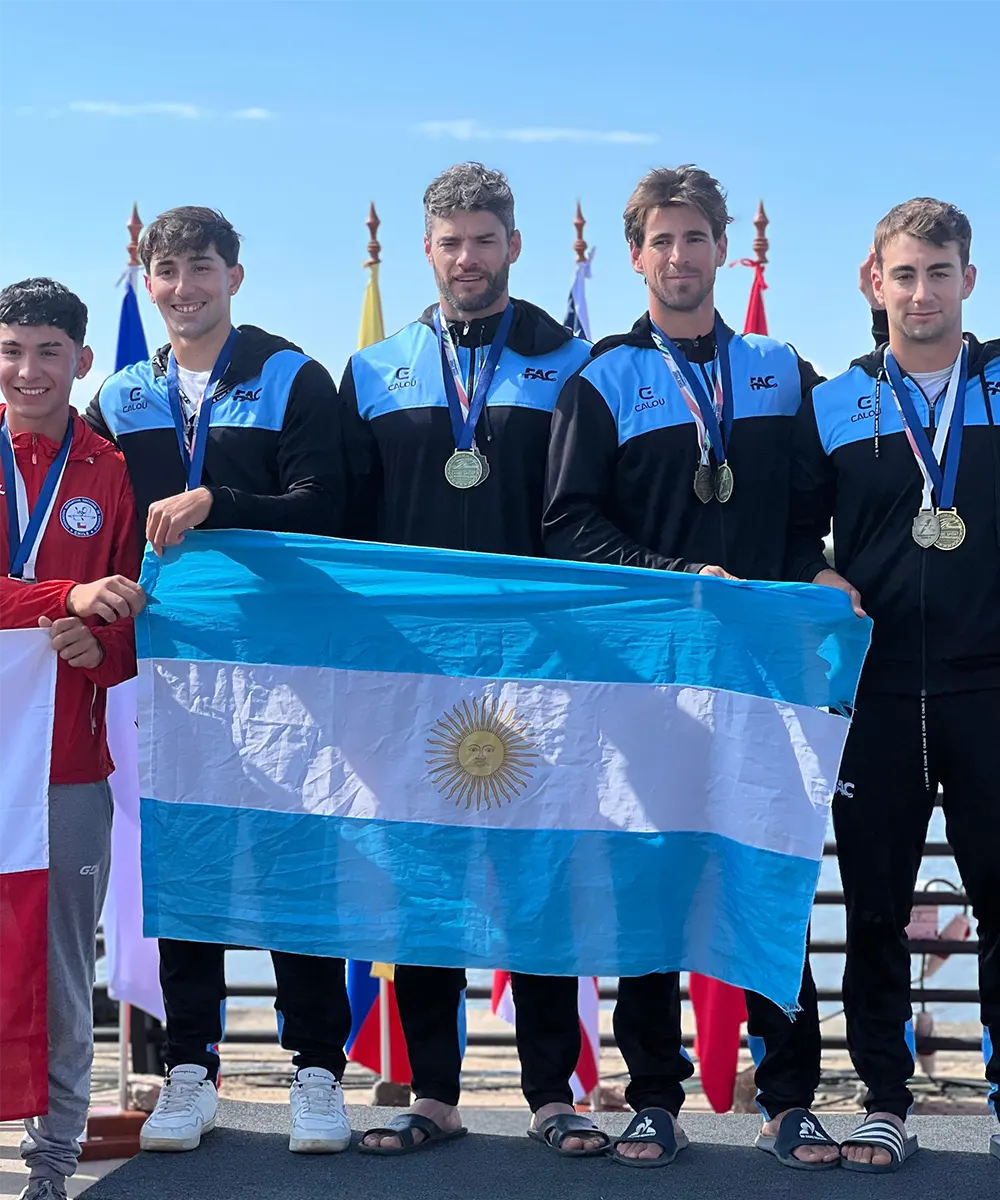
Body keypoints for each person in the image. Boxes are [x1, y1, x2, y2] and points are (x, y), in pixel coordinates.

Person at [543, 166, 839, 1170]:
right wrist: (680, 576)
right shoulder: (602, 378)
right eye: (660, 242)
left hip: (764, 672)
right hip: (647, 675)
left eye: (694, 238)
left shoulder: (777, 368)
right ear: (636, 257)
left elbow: (806, 517)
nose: (678, 257)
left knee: (771, 875)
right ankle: (655, 1097)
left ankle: (790, 1093)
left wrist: (818, 571)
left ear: (724, 250)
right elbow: (569, 525)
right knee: (649, 884)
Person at [340, 162, 602, 1157]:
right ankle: (433, 1094)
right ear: (427, 252)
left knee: (537, 879)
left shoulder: (571, 363)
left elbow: (585, 516)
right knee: (424, 884)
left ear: (513, 247)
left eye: (484, 241)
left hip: (541, 668)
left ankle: (550, 1092)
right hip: (414, 672)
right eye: (450, 243)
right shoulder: (373, 370)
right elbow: (343, 528)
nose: (467, 259)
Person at [85, 206, 353, 1156]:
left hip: (286, 669)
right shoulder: (118, 396)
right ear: (147, 281)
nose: (184, 286)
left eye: (202, 267)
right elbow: (86, 518)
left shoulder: (291, 376)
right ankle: (189, 1066)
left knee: (296, 861)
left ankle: (317, 1070)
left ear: (236, 275)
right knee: (188, 863)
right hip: (172, 674)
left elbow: (333, 507)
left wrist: (219, 502)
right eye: (166, 271)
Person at [787, 197, 1000, 1172]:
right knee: (872, 908)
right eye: (902, 273)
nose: (921, 292)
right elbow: (789, 531)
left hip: (988, 689)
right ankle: (883, 1100)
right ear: (873, 283)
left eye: (938, 271)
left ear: (969, 279)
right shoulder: (832, 402)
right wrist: (815, 568)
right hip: (874, 696)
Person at [0, 278, 145, 1200]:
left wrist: (98, 640)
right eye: (12, 350)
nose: (27, 369)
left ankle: (50, 1169)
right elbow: (73, 593)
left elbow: (132, 623)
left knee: (60, 973)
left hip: (64, 766)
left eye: (48, 351)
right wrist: (64, 599)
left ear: (82, 361)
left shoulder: (110, 471)